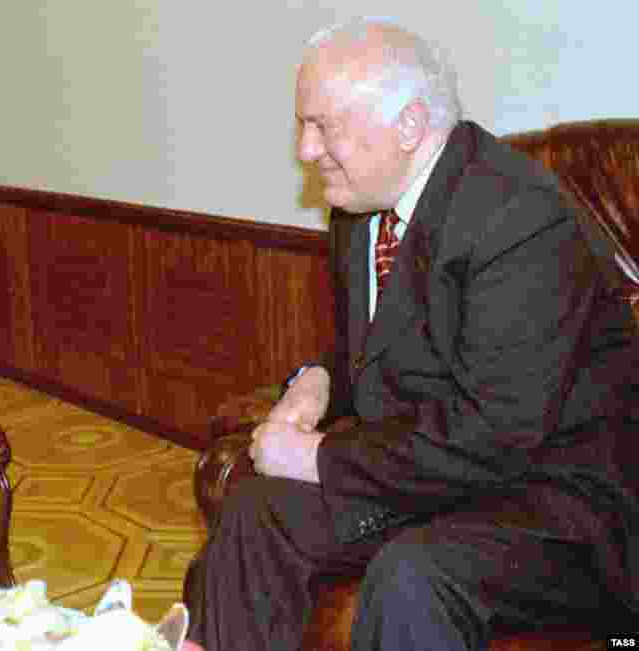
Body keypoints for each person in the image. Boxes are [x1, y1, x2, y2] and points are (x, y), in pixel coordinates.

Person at [185, 16, 639, 651]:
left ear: (408, 125)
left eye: (323, 126)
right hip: (435, 478)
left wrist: (318, 457)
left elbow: (497, 435)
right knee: (257, 508)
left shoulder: (518, 216)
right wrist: (317, 381)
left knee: (413, 574)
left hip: (553, 502)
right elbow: (385, 348)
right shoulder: (361, 206)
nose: (306, 151)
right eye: (302, 126)